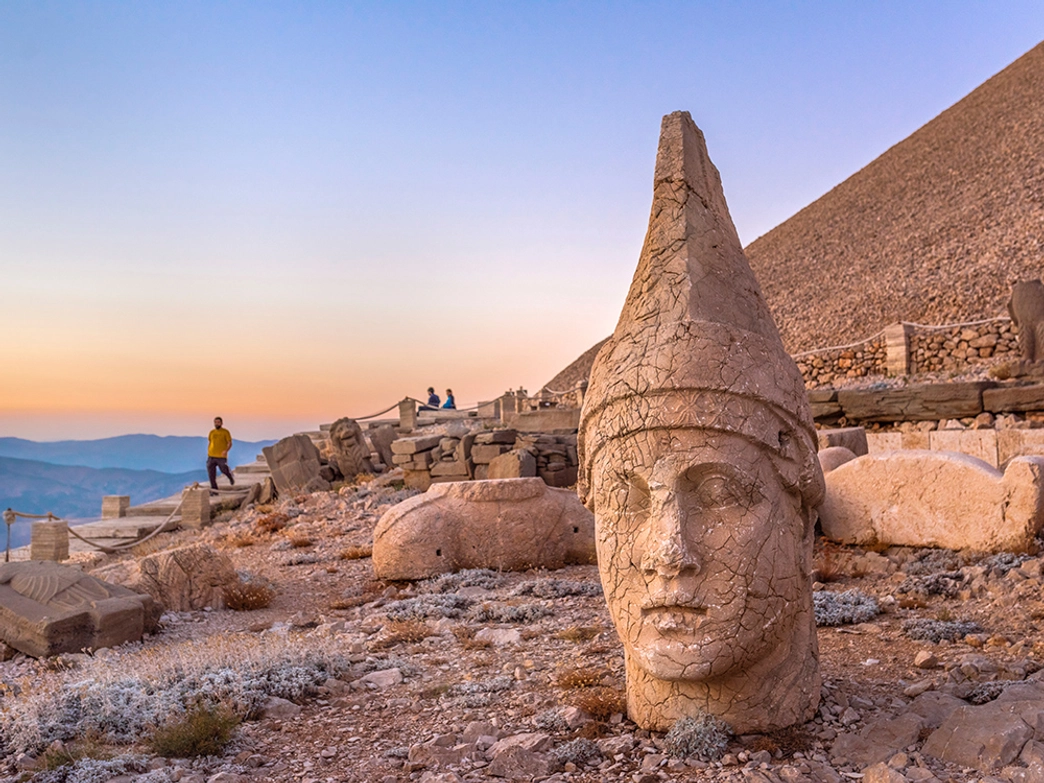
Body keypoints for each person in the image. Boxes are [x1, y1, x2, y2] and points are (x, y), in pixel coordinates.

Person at [207, 416, 235, 490]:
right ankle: (214, 490)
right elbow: (210, 442)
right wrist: (209, 451)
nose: (217, 424)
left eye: (218, 422)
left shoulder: (225, 432)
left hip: (221, 456)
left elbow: (229, 443)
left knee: (223, 469)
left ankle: (230, 477)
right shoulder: (211, 432)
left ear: (222, 423)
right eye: (215, 422)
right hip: (211, 456)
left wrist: (226, 450)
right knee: (211, 474)